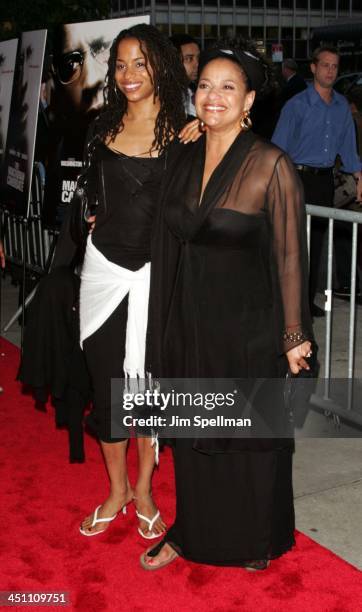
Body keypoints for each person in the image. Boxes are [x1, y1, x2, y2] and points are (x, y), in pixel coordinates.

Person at [140, 46, 313, 570]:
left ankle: (254, 539)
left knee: (247, 440)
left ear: (250, 101)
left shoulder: (270, 164)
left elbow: (289, 256)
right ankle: (189, 531)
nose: (213, 96)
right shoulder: (183, 155)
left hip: (247, 329)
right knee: (193, 437)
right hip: (187, 320)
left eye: (228, 87)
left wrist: (294, 335)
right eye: (205, 86)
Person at [77, 24, 188, 537]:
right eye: (120, 64)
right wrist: (90, 213)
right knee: (107, 389)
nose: (128, 74)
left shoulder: (186, 132)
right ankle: (117, 490)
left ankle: (143, 491)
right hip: (101, 274)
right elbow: (86, 189)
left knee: (145, 391)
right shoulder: (101, 126)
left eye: (140, 63)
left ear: (161, 67)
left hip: (154, 278)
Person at [272, 46, 362, 318]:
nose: (330, 71)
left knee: (316, 244)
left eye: (334, 66)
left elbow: (349, 151)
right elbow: (278, 149)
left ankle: (306, 301)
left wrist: (359, 177)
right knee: (293, 244)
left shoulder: (341, 108)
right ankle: (287, 303)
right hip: (296, 178)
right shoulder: (296, 106)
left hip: (323, 182)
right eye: (325, 65)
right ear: (313, 68)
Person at [170, 34, 200, 118]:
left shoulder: (193, 91)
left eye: (198, 58)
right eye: (189, 59)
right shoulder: (162, 98)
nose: (197, 64)